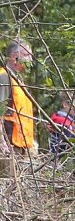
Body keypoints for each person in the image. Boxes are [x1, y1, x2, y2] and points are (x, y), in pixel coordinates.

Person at [0, 39, 37, 175]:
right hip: (8, 145)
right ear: (14, 57)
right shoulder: (3, 77)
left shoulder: (19, 80)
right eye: (27, 55)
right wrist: (2, 142)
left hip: (21, 145)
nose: (31, 59)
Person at [48, 90, 75, 157]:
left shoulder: (68, 121)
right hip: (58, 158)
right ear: (65, 104)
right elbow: (64, 146)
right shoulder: (63, 123)